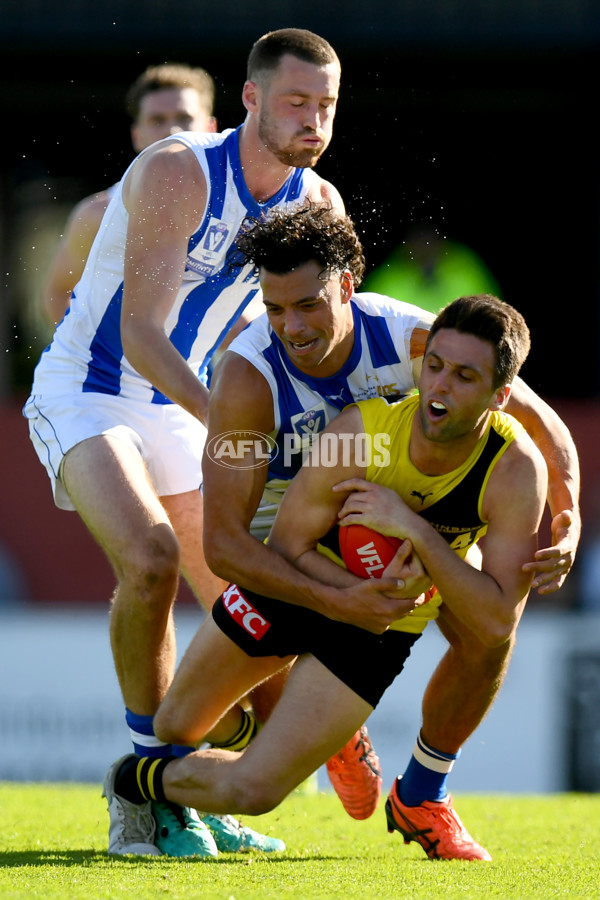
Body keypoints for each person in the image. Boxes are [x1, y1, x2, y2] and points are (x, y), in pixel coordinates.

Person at [133, 206, 578, 861]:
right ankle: (312, 729)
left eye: (307, 305)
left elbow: (542, 424)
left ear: (348, 287)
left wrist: (566, 527)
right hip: (284, 526)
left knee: (491, 626)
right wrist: (341, 601)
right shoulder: (247, 378)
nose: (290, 327)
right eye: (275, 308)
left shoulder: (415, 338)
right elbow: (226, 546)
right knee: (205, 717)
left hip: (399, 508)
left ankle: (424, 792)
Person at [23, 28, 350, 858]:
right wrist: (236, 426)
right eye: (296, 102)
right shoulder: (179, 169)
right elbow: (140, 334)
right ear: (249, 99)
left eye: (327, 105)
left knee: (257, 605)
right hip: (90, 389)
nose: (314, 119)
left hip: (179, 407)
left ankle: (192, 786)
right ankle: (143, 795)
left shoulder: (320, 206)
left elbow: (328, 336)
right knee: (153, 559)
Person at [42, 63, 218, 329]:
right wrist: (92, 358)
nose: (173, 131)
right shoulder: (97, 215)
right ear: (137, 135)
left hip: (210, 368)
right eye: (157, 120)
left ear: (210, 127)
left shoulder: (241, 208)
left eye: (183, 118)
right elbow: (58, 293)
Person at [361, 222, 501, 315]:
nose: (425, 249)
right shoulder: (388, 279)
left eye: (430, 242)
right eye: (419, 243)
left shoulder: (466, 270)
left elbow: (492, 313)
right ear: (408, 246)